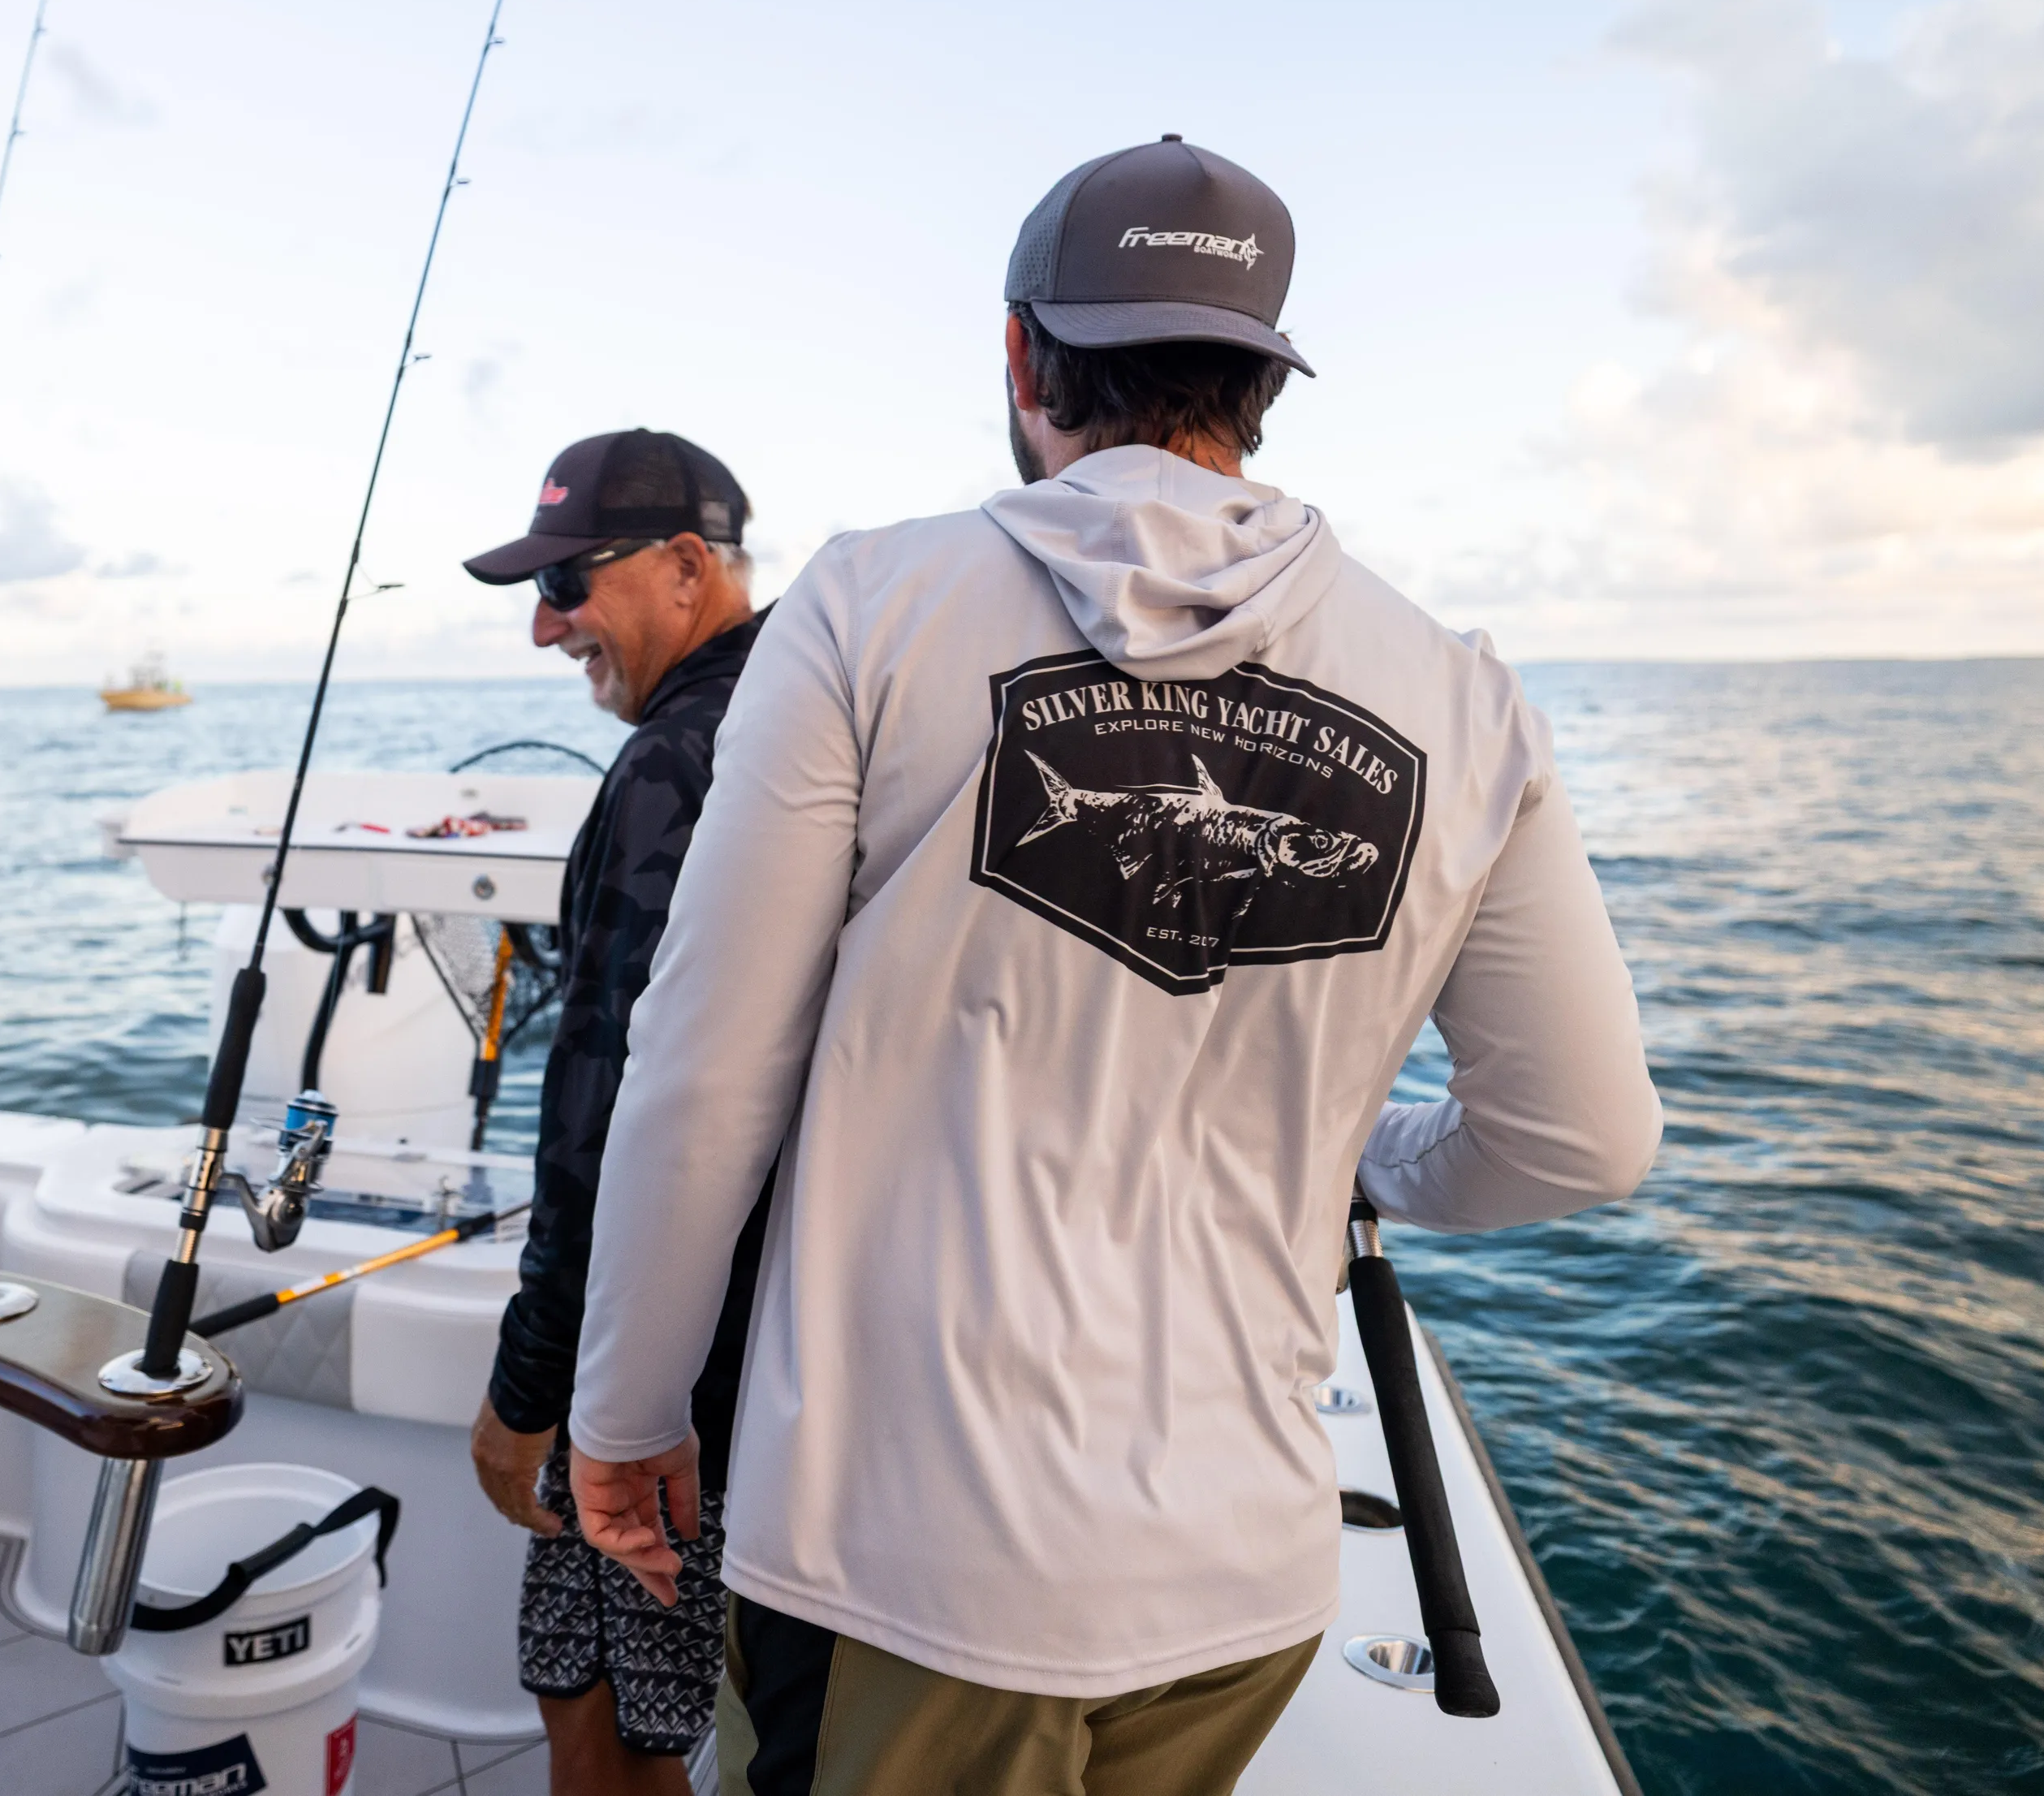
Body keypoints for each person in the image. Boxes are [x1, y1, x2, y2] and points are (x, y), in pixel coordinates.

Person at [564, 139, 1664, 1795]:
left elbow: (705, 1064)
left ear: (1020, 353)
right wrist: (1367, 1148)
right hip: (1243, 1581)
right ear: (1260, 378)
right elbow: (1584, 1136)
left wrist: (627, 1404)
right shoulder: (1465, 698)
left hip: (902, 1571)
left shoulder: (869, 604)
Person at [459, 430, 771, 1794]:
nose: (545, 627)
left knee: (610, 1740)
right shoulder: (808, 730)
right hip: (768, 1365)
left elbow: (611, 1110)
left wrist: (529, 1389)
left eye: (571, 583)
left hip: (654, 1386)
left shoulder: (674, 764)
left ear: (688, 567)